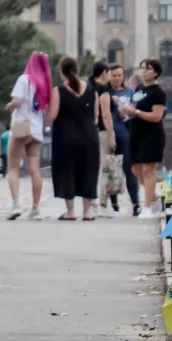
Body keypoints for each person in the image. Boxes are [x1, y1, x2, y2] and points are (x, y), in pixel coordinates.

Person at [47, 56, 101, 220]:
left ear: (62, 73)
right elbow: (96, 116)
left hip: (66, 136)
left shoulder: (58, 91)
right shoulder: (92, 90)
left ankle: (70, 212)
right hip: (89, 135)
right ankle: (86, 212)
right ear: (77, 71)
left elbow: (53, 114)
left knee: (66, 171)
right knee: (89, 171)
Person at [5, 51, 51, 219]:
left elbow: (17, 101)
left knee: (12, 167)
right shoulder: (45, 84)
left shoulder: (24, 79)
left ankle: (17, 204)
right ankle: (36, 208)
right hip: (36, 130)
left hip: (21, 128)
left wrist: (9, 106)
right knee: (34, 169)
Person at [120, 58, 167, 212]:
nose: (144, 71)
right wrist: (126, 110)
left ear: (156, 72)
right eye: (142, 68)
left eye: (148, 69)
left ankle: (147, 207)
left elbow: (156, 116)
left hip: (151, 134)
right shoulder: (140, 89)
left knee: (148, 169)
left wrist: (137, 112)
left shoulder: (158, 92)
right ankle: (153, 199)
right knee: (135, 169)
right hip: (136, 133)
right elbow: (133, 106)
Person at [89, 62, 123, 213]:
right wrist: (111, 135)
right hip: (102, 131)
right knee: (106, 167)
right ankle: (102, 204)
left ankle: (90, 203)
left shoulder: (88, 87)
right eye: (109, 73)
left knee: (93, 168)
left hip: (88, 130)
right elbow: (106, 114)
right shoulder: (103, 89)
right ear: (104, 73)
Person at [106, 63, 140, 214]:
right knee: (112, 170)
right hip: (110, 134)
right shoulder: (105, 92)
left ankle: (135, 203)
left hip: (126, 134)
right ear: (109, 76)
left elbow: (137, 111)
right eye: (114, 75)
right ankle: (114, 204)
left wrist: (128, 111)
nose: (117, 78)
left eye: (119, 75)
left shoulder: (130, 91)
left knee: (128, 169)